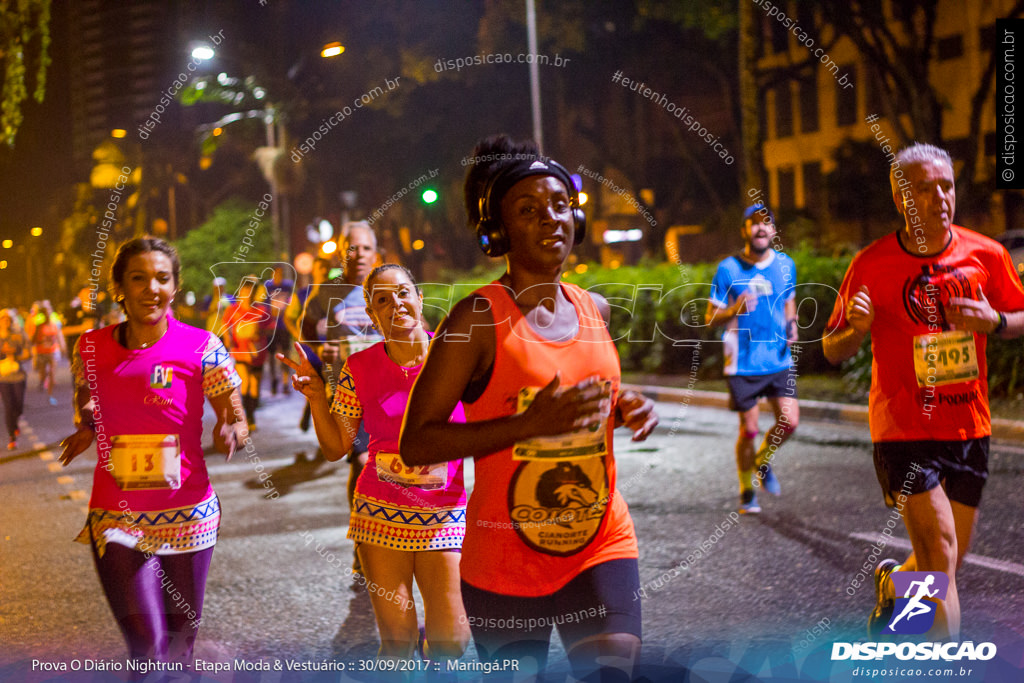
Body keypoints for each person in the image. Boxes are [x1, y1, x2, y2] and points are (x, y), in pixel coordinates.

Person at [400, 135, 658, 681]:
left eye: (560, 205)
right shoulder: (476, 320)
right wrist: (526, 425)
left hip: (601, 542)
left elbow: (585, 398)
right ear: (498, 233)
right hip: (505, 563)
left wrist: (624, 405)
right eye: (528, 210)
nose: (551, 219)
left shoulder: (596, 308)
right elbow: (417, 440)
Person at [823, 143, 1024, 640]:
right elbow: (831, 348)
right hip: (902, 429)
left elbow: (1020, 315)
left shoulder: (986, 254)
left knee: (947, 560)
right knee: (939, 557)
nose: (939, 197)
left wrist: (996, 320)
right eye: (923, 187)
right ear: (899, 197)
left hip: (968, 425)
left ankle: (896, 598)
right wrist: (857, 329)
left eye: (946, 186)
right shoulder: (871, 264)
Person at [58, 236, 247, 666]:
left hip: (187, 514)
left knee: (179, 652)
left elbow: (235, 414)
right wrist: (87, 428)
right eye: (138, 279)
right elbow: (86, 403)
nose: (151, 289)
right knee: (146, 650)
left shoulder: (203, 346)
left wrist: (230, 428)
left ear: (175, 287)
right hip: (116, 516)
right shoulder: (90, 347)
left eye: (162, 278)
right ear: (119, 288)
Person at [281, 263, 469, 664]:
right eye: (382, 299)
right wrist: (316, 397)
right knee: (398, 644)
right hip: (379, 512)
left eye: (403, 293)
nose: (395, 304)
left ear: (420, 299)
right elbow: (336, 447)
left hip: (444, 512)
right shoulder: (359, 368)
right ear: (371, 315)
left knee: (452, 641)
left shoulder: (456, 358)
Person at [705, 203, 799, 514]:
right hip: (741, 360)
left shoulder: (786, 264)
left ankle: (761, 460)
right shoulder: (728, 269)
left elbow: (789, 300)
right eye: (753, 223)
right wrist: (734, 310)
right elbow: (710, 316)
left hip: (777, 357)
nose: (761, 228)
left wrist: (792, 325)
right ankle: (747, 490)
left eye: (766, 223)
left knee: (789, 421)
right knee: (749, 428)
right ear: (744, 229)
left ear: (773, 230)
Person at [325, 223, 383, 566]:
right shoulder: (327, 294)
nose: (358, 254)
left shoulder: (388, 286)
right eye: (352, 247)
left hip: (390, 390)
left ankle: (391, 531)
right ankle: (363, 540)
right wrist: (325, 354)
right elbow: (304, 335)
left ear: (374, 253)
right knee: (362, 462)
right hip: (351, 393)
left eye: (365, 248)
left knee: (386, 464)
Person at [221, 276, 274, 432]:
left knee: (255, 385)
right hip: (240, 351)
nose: (247, 294)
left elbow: (271, 327)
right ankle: (248, 417)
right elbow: (225, 324)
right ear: (241, 291)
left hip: (258, 351)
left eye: (251, 291)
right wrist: (228, 338)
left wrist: (259, 331)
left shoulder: (262, 310)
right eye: (245, 290)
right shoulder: (233, 309)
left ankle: (252, 413)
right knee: (245, 382)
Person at [0, 309, 31, 450]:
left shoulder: (19, 335)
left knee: (18, 404)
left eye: (8, 319)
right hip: (3, 377)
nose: (5, 322)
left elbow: (28, 352)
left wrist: (16, 357)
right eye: (2, 319)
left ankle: (16, 420)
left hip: (18, 375)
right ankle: (12, 436)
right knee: (8, 405)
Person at [263, 265, 295, 396]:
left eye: (281, 273)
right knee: (271, 356)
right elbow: (264, 303)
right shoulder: (268, 287)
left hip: (284, 325)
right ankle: (273, 381)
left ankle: (286, 382)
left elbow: (292, 300)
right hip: (271, 327)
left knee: (285, 355)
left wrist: (287, 310)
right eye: (276, 273)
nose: (279, 276)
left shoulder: (288, 286)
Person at [28, 300, 66, 406]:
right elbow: (33, 340)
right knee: (43, 373)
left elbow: (59, 336)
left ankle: (50, 395)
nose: (47, 314)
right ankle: (42, 381)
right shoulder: (39, 326)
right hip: (41, 352)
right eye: (45, 313)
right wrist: (40, 341)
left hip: (52, 351)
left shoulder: (54, 325)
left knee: (52, 373)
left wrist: (63, 347)